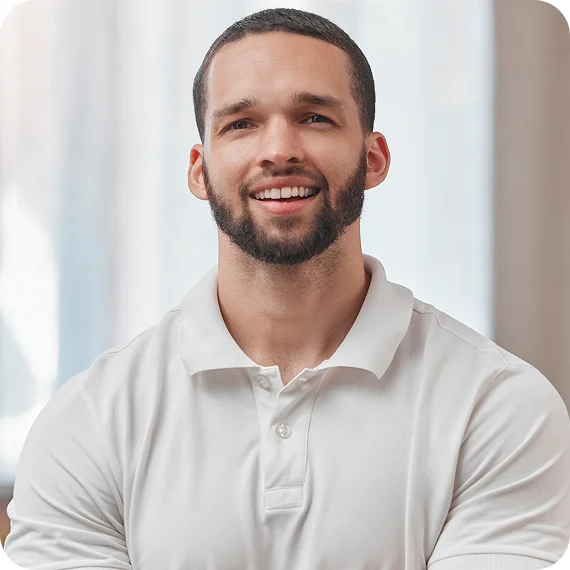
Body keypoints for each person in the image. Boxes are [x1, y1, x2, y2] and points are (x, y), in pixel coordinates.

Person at [4, 7, 570, 570]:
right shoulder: (89, 423)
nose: (279, 150)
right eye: (240, 124)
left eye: (315, 118)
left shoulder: (498, 408)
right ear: (200, 170)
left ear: (373, 158)